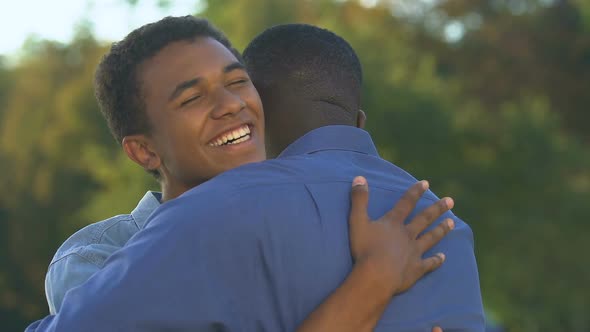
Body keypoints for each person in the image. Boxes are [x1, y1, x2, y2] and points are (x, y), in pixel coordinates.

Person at [28, 17, 478, 331]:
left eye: (238, 81)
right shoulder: (94, 258)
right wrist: (372, 284)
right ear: (143, 150)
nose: (230, 104)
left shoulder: (322, 225)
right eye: (191, 99)